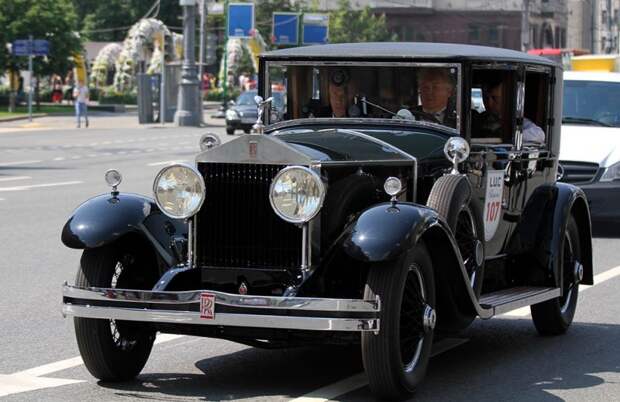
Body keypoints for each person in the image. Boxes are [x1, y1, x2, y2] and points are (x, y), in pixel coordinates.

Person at [480, 80, 545, 144]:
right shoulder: (479, 118)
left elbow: (539, 135)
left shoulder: (514, 119)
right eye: (486, 98)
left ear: (506, 99)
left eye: (495, 98)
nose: (489, 103)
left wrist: (509, 137)